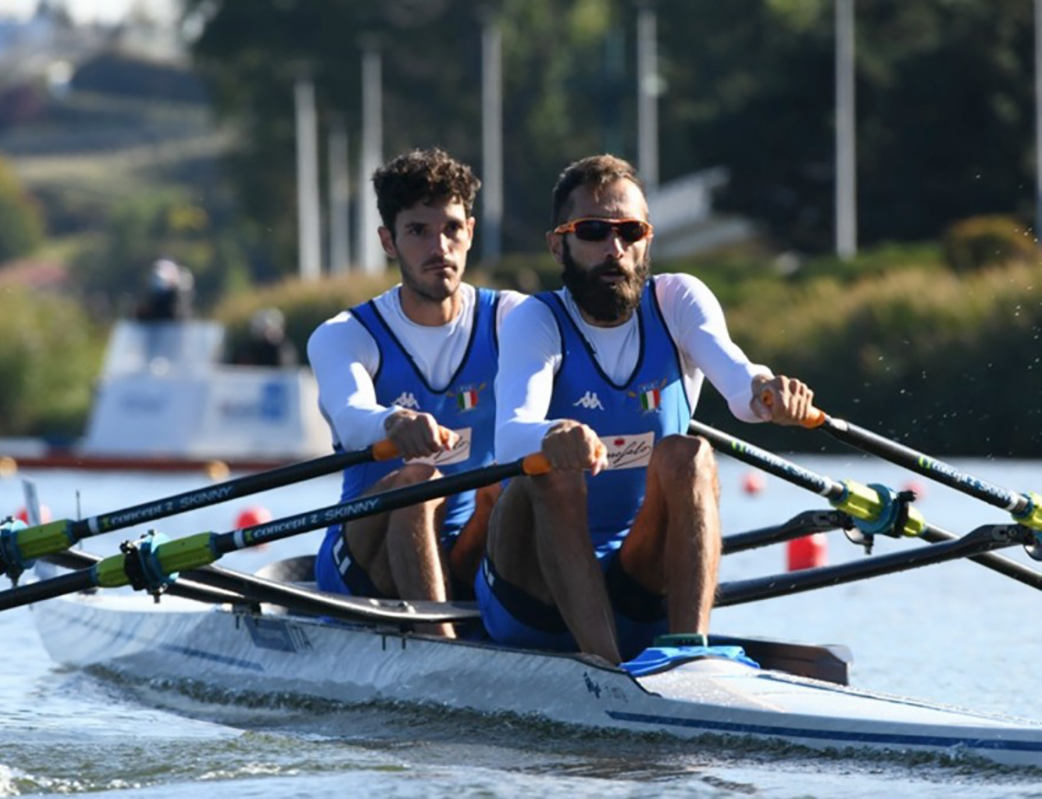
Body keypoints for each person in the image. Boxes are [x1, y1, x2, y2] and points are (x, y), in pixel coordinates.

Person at [477, 154, 817, 663]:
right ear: (558, 244)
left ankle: (687, 655)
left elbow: (741, 383)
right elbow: (510, 435)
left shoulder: (678, 300)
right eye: (592, 231)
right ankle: (605, 669)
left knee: (691, 455)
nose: (615, 248)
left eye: (630, 231)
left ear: (647, 240)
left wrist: (769, 392)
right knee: (551, 469)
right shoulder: (536, 320)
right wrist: (552, 436)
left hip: (638, 578)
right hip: (533, 596)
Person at [307, 148, 527, 637]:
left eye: (451, 228)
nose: (440, 247)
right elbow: (349, 413)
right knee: (419, 476)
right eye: (418, 231)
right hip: (365, 563)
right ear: (388, 241)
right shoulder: (345, 334)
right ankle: (442, 652)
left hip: (469, 552)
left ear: (470, 231)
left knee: (525, 481)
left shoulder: (513, 318)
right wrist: (393, 423)